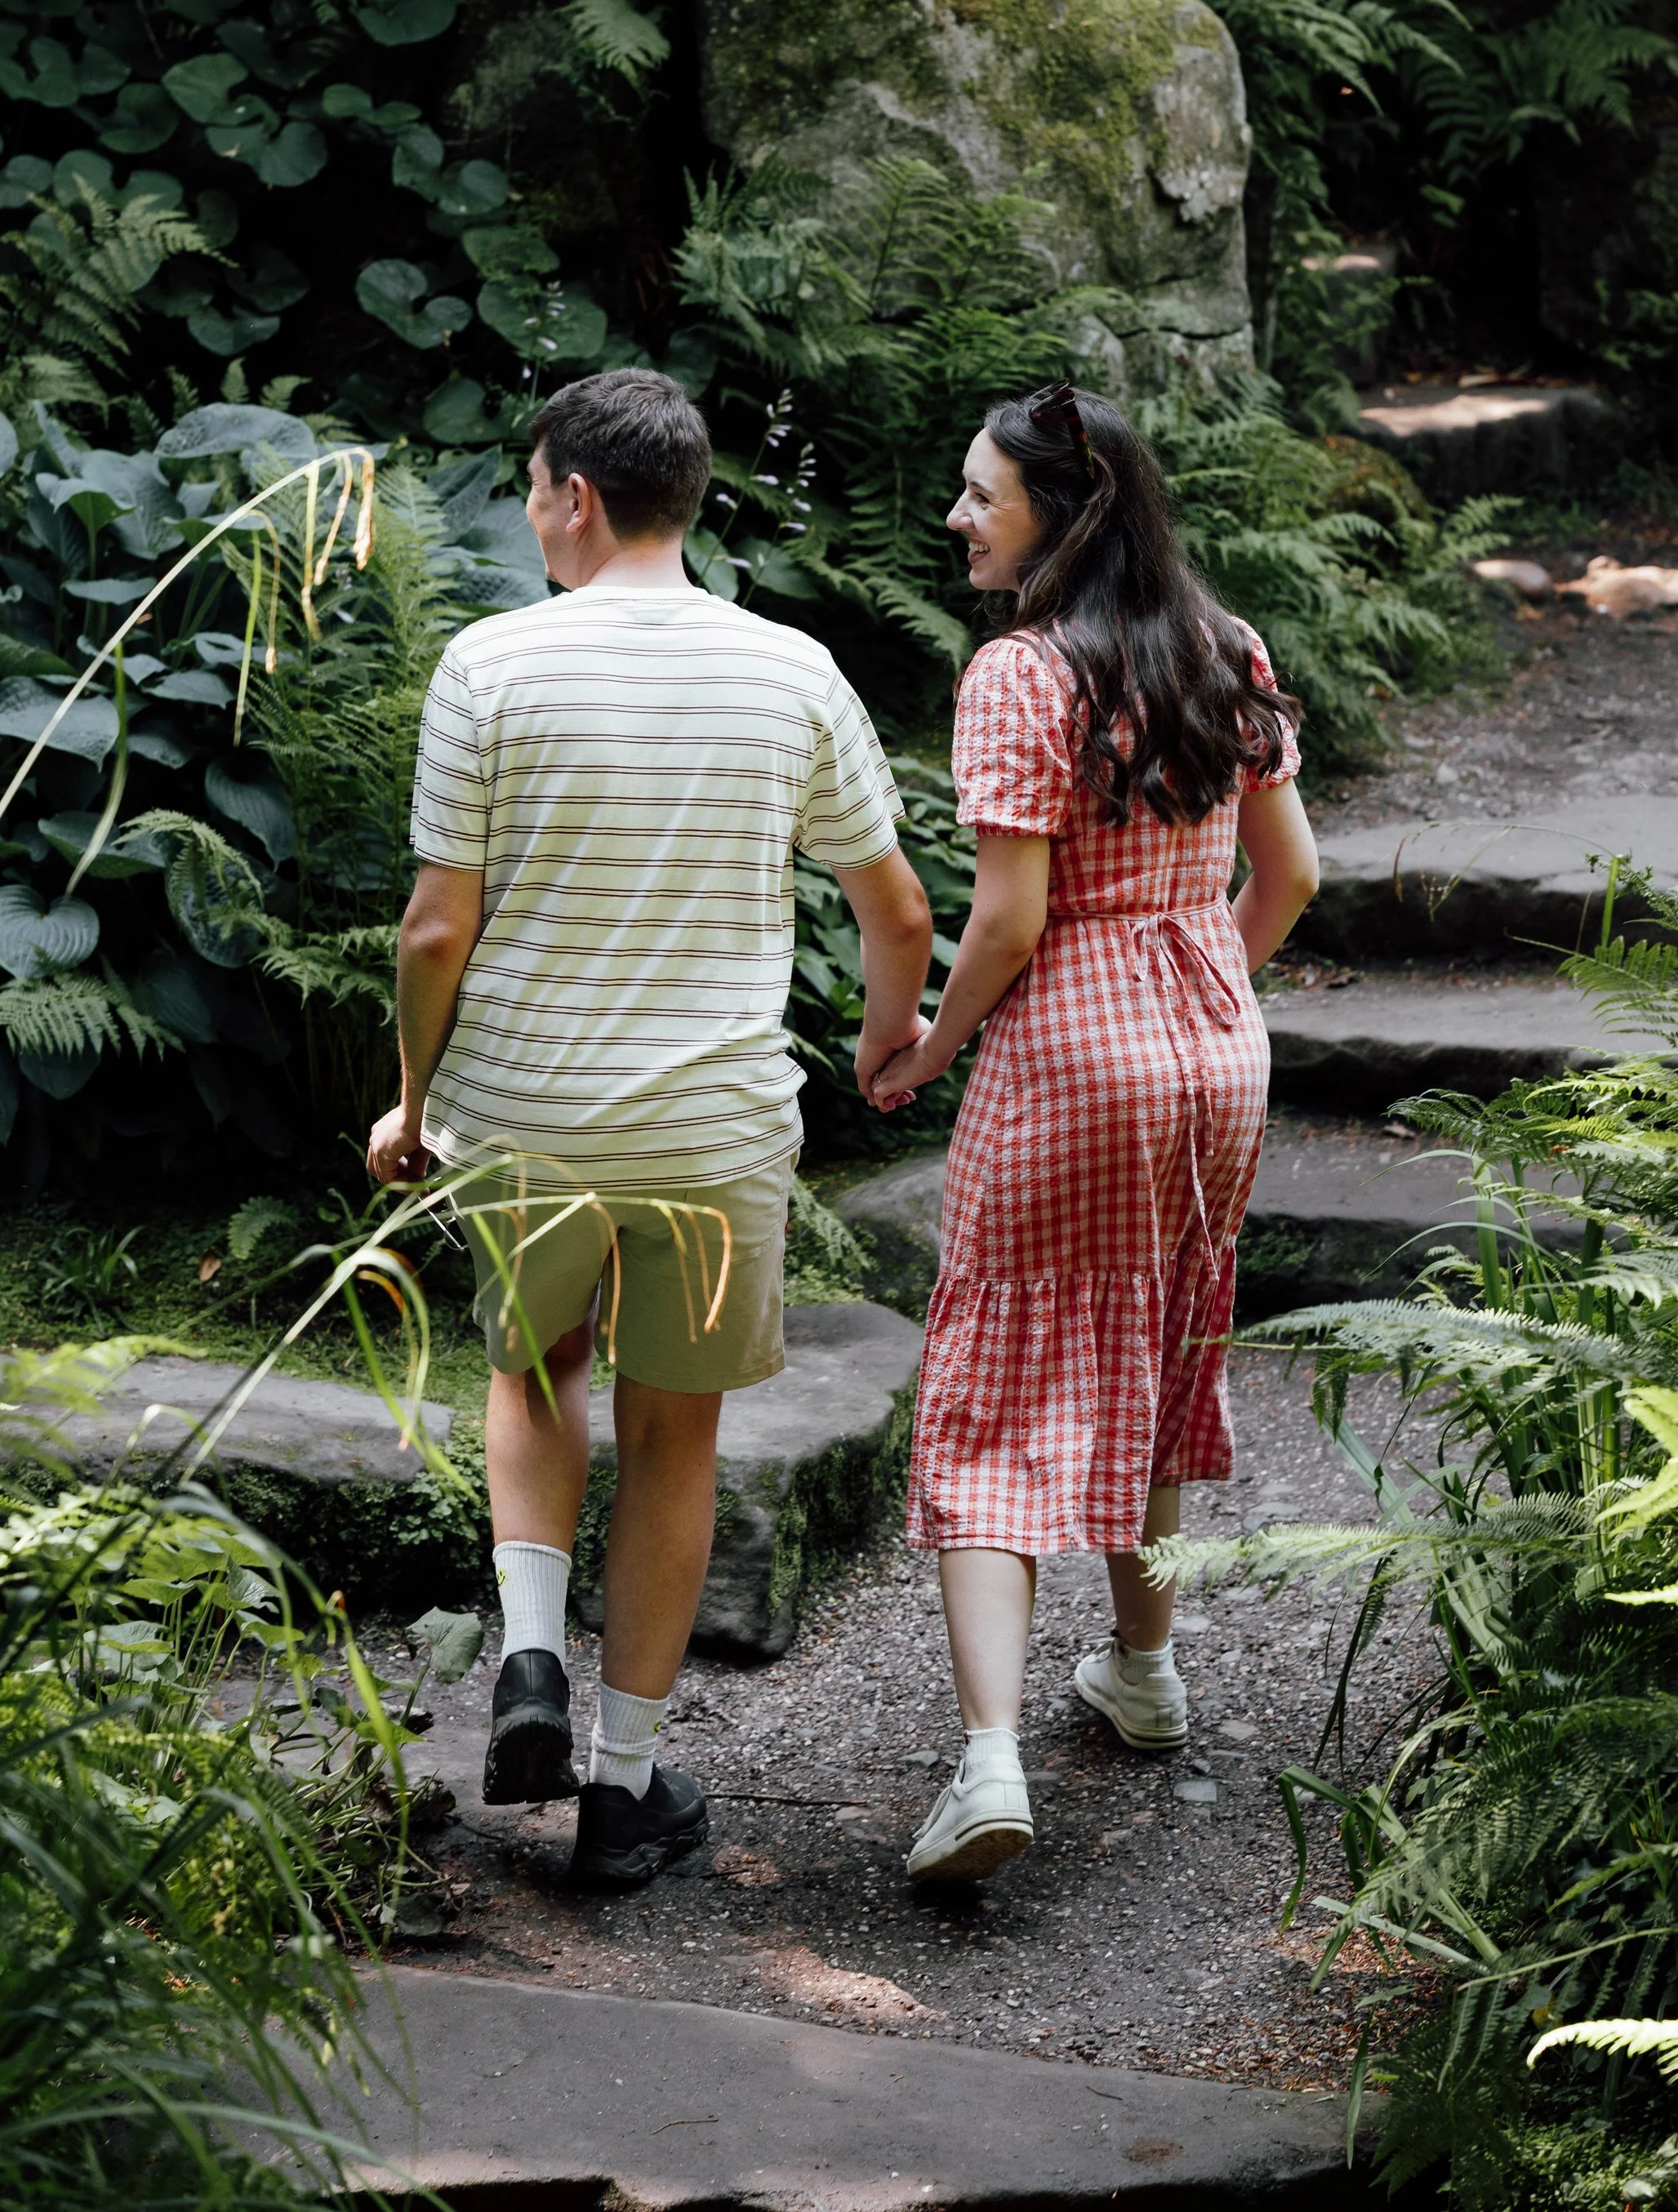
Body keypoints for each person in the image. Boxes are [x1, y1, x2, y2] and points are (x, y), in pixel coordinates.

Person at [367, 369, 933, 1890]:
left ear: (576, 497)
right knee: (677, 1434)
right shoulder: (792, 672)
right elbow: (896, 906)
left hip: (530, 1119)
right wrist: (892, 1041)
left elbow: (435, 933)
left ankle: (535, 1657)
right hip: (711, 1128)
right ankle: (623, 1786)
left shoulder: (491, 667)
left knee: (534, 1363)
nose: (535, 511)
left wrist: (415, 1105)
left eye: (535, 488)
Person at [870, 383, 1320, 1882]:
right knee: (1163, 1331)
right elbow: (1292, 879)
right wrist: (1191, 996)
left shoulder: (1021, 675)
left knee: (991, 1379)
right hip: (1213, 1047)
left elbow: (1007, 917)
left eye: (982, 495)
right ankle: (1145, 1669)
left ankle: (990, 1761)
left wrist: (933, 1048)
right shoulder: (1226, 647)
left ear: (1061, 520)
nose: (958, 516)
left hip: (1068, 1050)